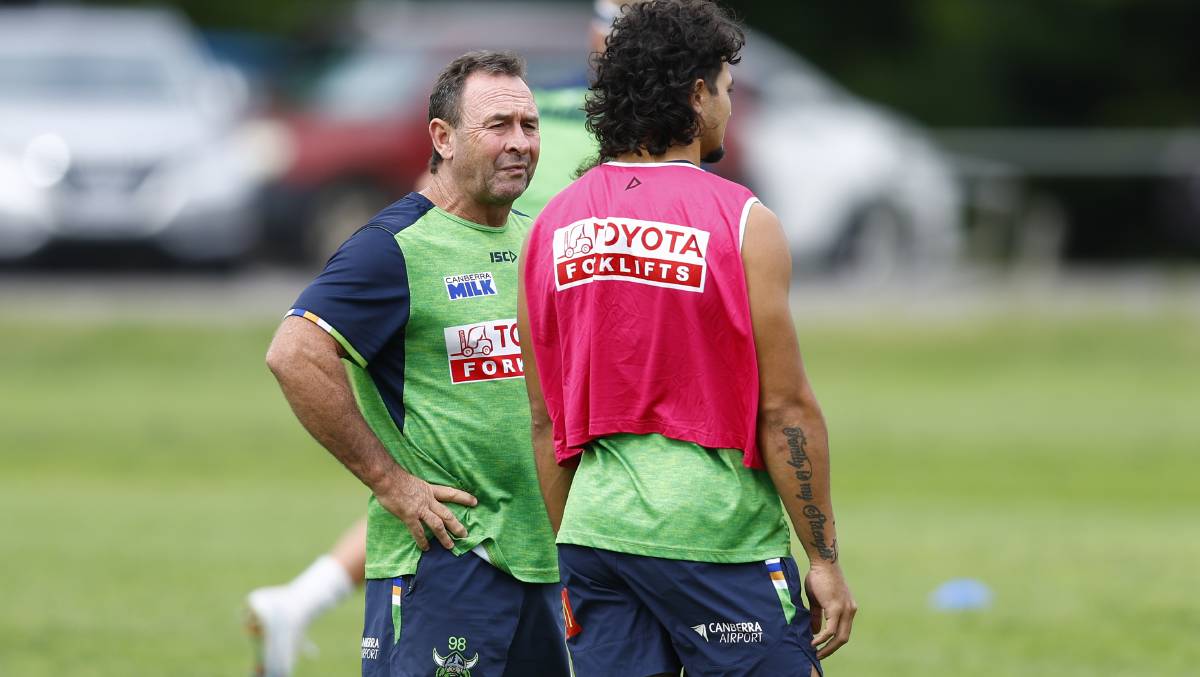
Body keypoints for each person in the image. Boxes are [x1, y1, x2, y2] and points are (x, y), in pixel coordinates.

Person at [243, 4, 630, 674]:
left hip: (541, 563)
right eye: (499, 125)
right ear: (443, 138)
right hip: (445, 568)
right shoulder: (394, 245)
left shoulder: (537, 239)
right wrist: (391, 482)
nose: (521, 142)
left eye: (530, 125)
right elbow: (294, 353)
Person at [517, 1, 857, 675]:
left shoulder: (548, 226)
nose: (730, 107)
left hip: (594, 540)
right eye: (727, 90)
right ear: (697, 94)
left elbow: (543, 422)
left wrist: (576, 548)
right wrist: (822, 558)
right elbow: (787, 409)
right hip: (715, 540)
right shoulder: (744, 222)